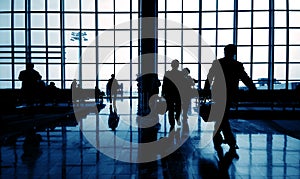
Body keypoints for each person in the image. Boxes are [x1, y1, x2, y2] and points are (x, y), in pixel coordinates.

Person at [204, 44, 257, 158]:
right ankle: (228, 140)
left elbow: (209, 77)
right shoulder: (237, 65)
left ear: (224, 52)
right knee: (223, 117)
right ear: (234, 53)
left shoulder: (218, 63)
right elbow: (245, 78)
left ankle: (220, 138)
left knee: (220, 116)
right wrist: (253, 88)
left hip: (218, 93)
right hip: (230, 94)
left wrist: (206, 90)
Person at [162, 59, 184, 131]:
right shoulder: (180, 74)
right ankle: (177, 118)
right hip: (178, 93)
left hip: (169, 93)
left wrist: (163, 93)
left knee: (170, 109)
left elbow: (164, 84)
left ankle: (172, 123)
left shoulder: (168, 73)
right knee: (178, 107)